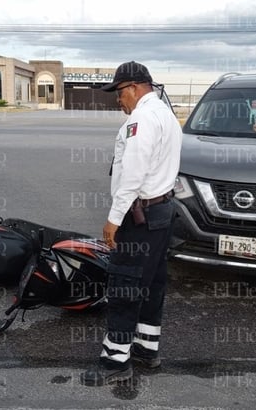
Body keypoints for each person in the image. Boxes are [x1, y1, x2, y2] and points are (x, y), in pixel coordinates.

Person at [80, 61, 182, 386]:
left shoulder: (141, 118)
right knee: (151, 284)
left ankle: (115, 361)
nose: (117, 99)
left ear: (136, 88)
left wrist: (113, 219)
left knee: (124, 286)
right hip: (162, 212)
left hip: (140, 215)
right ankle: (146, 349)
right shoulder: (166, 114)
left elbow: (134, 174)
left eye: (120, 92)